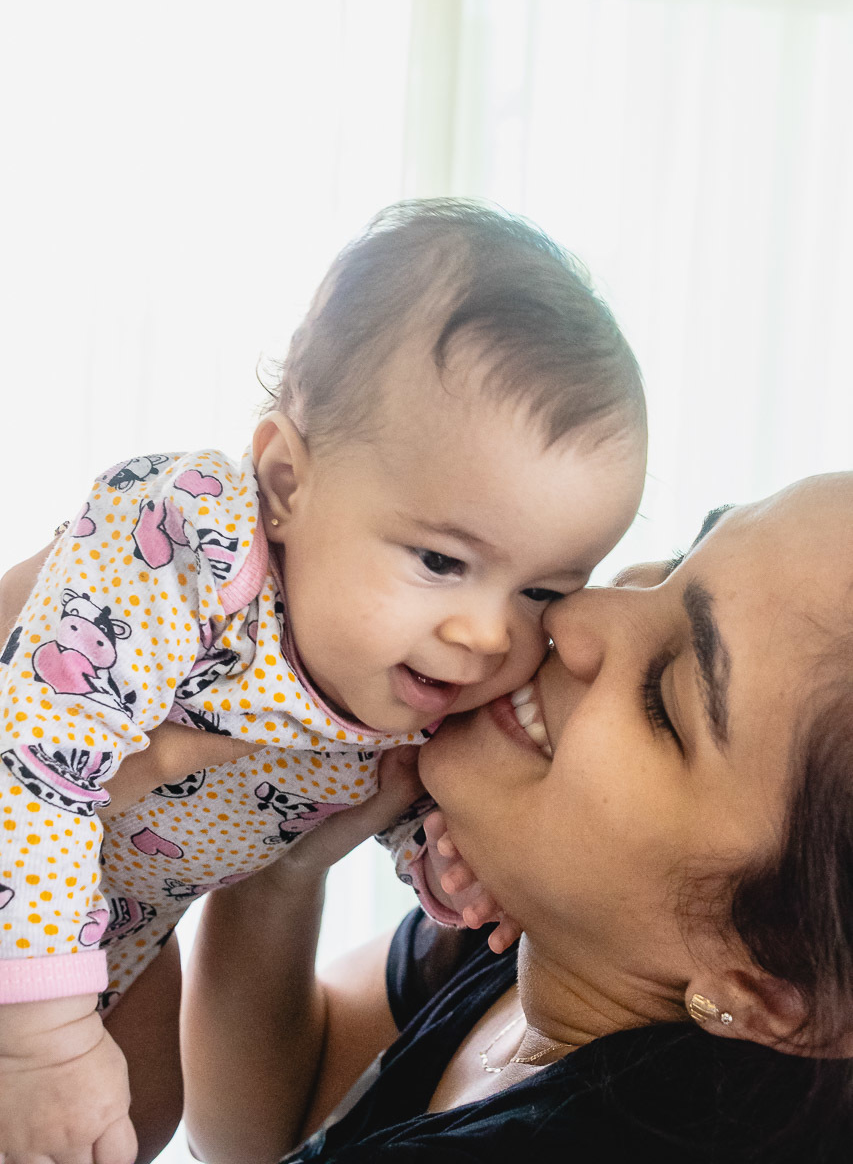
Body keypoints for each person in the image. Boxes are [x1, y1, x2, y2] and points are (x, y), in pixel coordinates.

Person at [0, 199, 648, 1163]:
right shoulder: (195, 545)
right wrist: (43, 1044)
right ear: (288, 484)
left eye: (544, 589)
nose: (483, 633)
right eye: (439, 561)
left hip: (120, 930)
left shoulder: (416, 689)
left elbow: (382, 799)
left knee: (136, 1121)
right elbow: (33, 756)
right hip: (28, 885)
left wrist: (439, 857)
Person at [181, 475, 853, 1163]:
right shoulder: (555, 921)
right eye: (679, 559)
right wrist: (282, 860)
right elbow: (271, 1122)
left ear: (772, 989)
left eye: (662, 701)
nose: (577, 613)